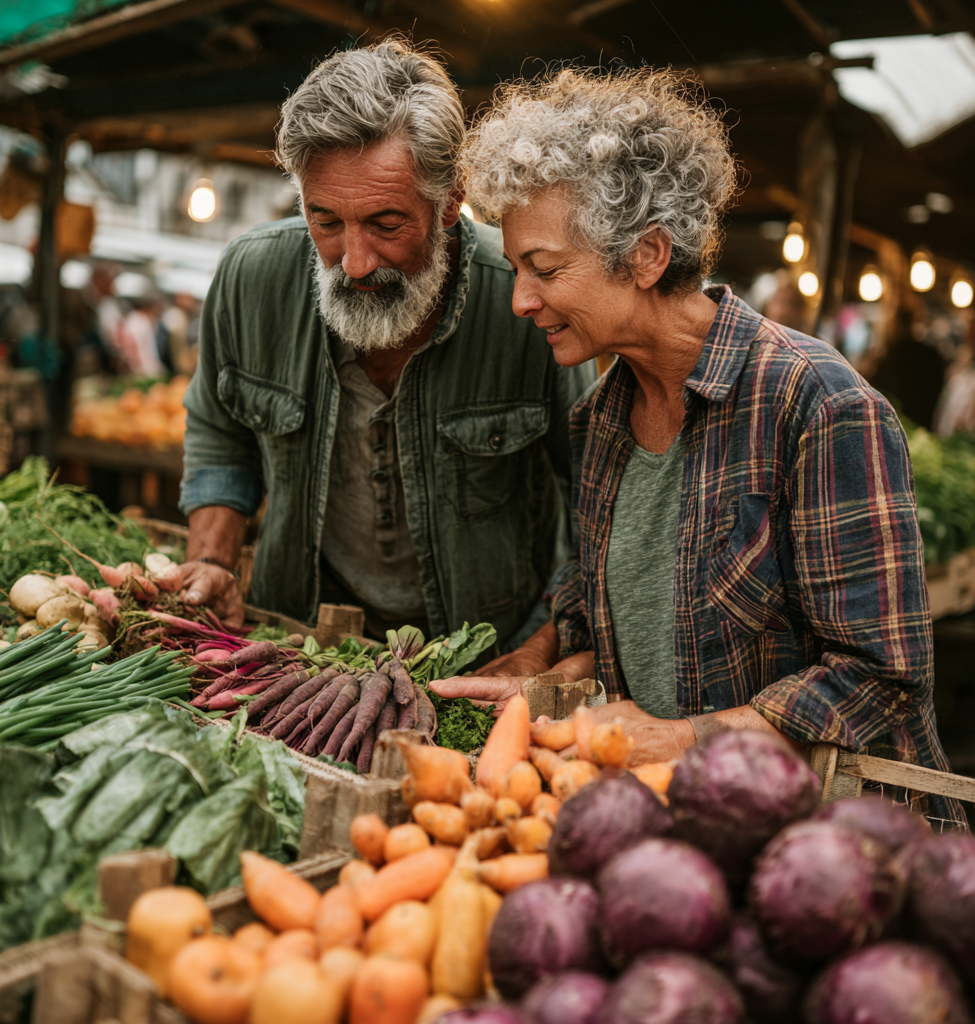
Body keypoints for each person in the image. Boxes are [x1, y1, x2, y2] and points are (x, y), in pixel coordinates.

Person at [432, 68, 960, 822]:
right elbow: (622, 628)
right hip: (694, 833)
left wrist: (680, 740)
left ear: (648, 255)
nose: (521, 300)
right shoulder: (601, 422)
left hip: (849, 854)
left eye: (544, 270)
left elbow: (879, 677)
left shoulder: (818, 407)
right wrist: (536, 678)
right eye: (517, 269)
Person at [177, 41, 594, 646]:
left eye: (386, 224)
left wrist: (539, 649)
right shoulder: (251, 277)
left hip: (483, 652)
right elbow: (220, 434)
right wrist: (212, 561)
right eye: (325, 221)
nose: (354, 261)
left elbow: (595, 495)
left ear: (450, 199)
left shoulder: (527, 303)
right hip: (295, 639)